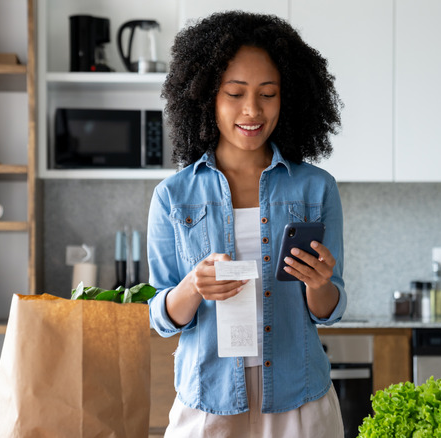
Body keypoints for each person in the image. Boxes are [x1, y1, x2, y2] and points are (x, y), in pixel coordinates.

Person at [146, 10, 346, 438]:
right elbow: (160, 317)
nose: (252, 110)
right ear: (206, 98)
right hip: (208, 399)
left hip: (299, 397)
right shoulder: (173, 195)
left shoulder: (316, 188)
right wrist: (192, 286)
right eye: (234, 93)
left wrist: (319, 283)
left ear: (286, 97)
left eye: (268, 93)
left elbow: (329, 310)